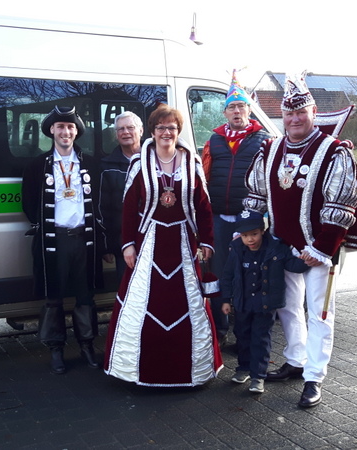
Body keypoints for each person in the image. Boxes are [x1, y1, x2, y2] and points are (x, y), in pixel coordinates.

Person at [243, 73, 357, 408]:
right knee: (287, 306)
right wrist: (250, 232)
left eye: (301, 112)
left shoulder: (334, 151)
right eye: (289, 113)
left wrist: (321, 248)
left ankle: (314, 376)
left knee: (320, 312)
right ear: (282, 115)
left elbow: (342, 204)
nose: (295, 119)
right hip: (281, 245)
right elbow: (256, 196)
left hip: (320, 249)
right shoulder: (271, 149)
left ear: (313, 113)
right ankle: (296, 360)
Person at [103, 105, 223, 386]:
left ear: (178, 131)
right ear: (152, 131)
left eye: (171, 127)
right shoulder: (139, 162)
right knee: (145, 302)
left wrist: (207, 241)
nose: (166, 132)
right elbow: (129, 208)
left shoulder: (191, 161)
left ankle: (191, 371)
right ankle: (137, 371)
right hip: (149, 243)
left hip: (183, 242)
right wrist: (127, 245)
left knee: (186, 303)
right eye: (161, 127)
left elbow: (203, 206)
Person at [21, 105, 103, 375]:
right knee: (53, 296)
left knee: (85, 296)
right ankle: (55, 349)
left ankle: (87, 346)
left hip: (83, 240)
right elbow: (28, 203)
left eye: (70, 127)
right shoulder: (37, 166)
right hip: (53, 240)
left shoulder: (90, 163)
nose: (65, 131)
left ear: (76, 131)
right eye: (60, 127)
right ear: (52, 131)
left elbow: (99, 202)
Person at [202, 70, 272, 347]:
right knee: (220, 273)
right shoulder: (214, 140)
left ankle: (244, 335)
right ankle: (220, 329)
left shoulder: (264, 139)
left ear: (249, 110)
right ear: (225, 112)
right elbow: (205, 176)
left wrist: (264, 216)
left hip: (249, 220)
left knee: (248, 275)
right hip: (219, 218)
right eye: (231, 107)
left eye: (241, 106)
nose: (236, 111)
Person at [219, 210, 309, 394]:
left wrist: (309, 258)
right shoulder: (236, 248)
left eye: (254, 234)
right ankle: (243, 368)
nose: (250, 239)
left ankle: (258, 376)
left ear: (262, 230)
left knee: (260, 339)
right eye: (245, 235)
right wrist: (226, 300)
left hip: (265, 305)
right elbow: (227, 275)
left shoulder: (276, 248)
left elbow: (293, 265)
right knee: (242, 336)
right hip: (243, 303)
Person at [98, 111, 144, 281]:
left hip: (154, 239)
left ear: (141, 131)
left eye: (130, 127)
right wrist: (107, 246)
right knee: (127, 289)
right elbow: (104, 210)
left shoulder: (156, 160)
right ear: (116, 135)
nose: (126, 132)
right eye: (120, 129)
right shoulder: (107, 167)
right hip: (123, 244)